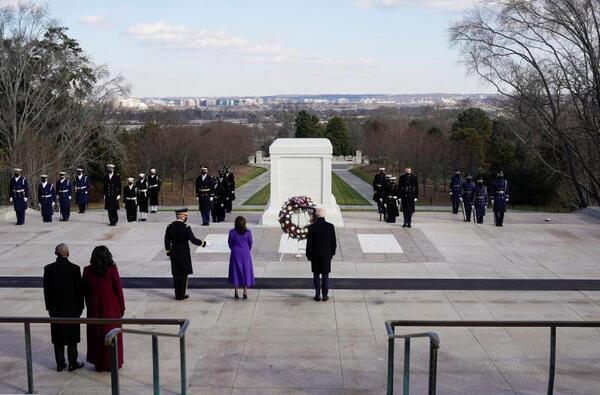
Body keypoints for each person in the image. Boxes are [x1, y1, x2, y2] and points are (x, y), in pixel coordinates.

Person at [82, 246, 125, 372]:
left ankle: (99, 363)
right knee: (112, 336)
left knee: (97, 337)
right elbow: (118, 290)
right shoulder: (112, 270)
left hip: (94, 309)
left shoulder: (87, 270)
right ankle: (113, 362)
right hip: (111, 310)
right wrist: (122, 308)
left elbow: (84, 291)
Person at [43, 244, 85, 372]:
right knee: (72, 337)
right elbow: (79, 290)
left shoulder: (48, 268)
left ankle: (60, 363)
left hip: (55, 309)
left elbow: (47, 291)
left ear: (56, 253)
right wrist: (81, 307)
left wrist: (49, 307)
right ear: (68, 253)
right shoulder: (75, 268)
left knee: (58, 337)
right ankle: (72, 363)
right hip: (72, 309)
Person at [164, 208, 208, 300]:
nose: (186, 217)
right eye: (185, 215)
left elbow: (167, 240)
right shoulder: (186, 228)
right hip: (184, 253)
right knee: (184, 274)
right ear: (181, 216)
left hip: (174, 252)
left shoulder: (170, 227)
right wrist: (203, 243)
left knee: (176, 274)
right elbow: (193, 239)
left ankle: (177, 295)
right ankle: (182, 294)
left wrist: (168, 251)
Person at [305, 208, 337, 302]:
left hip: (315, 255)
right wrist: (332, 253)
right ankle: (325, 295)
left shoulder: (312, 227)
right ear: (324, 215)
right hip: (326, 255)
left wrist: (308, 255)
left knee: (316, 275)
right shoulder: (330, 226)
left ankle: (317, 295)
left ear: (316, 216)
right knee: (325, 275)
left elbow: (309, 243)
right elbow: (333, 243)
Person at [228, 216, 254, 299]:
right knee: (245, 271)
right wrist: (246, 249)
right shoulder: (248, 232)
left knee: (235, 272)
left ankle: (236, 292)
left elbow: (230, 243)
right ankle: (245, 292)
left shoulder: (232, 232)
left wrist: (234, 249)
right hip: (245, 253)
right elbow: (250, 243)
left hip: (235, 253)